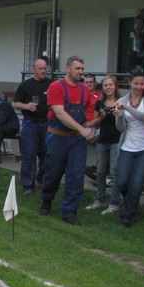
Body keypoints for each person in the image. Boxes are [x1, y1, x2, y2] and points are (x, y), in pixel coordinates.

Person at [40, 56, 97, 225]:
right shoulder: (56, 87)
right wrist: (82, 130)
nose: (81, 72)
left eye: (82, 69)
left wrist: (87, 127)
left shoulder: (84, 90)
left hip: (76, 141)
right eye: (77, 68)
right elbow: (60, 114)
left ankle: (69, 211)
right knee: (53, 172)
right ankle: (46, 200)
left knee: (75, 175)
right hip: (57, 136)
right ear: (68, 69)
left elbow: (86, 113)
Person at [114, 71, 144, 228]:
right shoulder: (122, 100)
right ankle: (131, 202)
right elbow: (120, 128)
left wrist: (127, 108)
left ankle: (126, 217)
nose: (139, 87)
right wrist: (119, 115)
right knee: (122, 182)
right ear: (129, 82)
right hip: (128, 146)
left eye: (142, 84)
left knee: (137, 183)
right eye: (136, 83)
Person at [12, 56, 50, 195]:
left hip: (46, 123)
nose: (43, 71)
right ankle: (28, 185)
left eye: (45, 68)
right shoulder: (26, 85)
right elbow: (15, 103)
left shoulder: (51, 85)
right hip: (30, 123)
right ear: (34, 69)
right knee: (29, 154)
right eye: (40, 68)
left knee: (46, 155)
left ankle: (42, 180)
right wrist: (27, 106)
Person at [85, 76, 121, 214]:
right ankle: (99, 200)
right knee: (100, 172)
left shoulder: (121, 102)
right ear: (103, 87)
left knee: (114, 172)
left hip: (116, 141)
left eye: (110, 85)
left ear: (115, 86)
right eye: (105, 85)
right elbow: (95, 121)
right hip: (102, 140)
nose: (108, 87)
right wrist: (101, 117)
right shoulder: (100, 102)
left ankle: (114, 202)